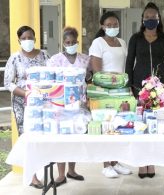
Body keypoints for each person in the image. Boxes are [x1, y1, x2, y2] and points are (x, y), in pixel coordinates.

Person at [125, 2, 164, 179]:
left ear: (158, 19)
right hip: (140, 88)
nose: (150, 20)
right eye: (147, 17)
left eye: (153, 17)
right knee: (141, 125)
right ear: (142, 19)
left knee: (155, 125)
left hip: (160, 89)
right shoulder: (135, 39)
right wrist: (129, 85)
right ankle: (141, 162)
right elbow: (129, 63)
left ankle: (151, 162)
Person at [4, 26, 49, 189]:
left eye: (30, 37)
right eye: (23, 38)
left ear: (35, 39)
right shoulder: (14, 58)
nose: (27, 41)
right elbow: (8, 83)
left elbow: (52, 75)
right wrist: (26, 94)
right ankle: (33, 176)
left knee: (43, 135)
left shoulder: (44, 55)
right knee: (27, 137)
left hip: (43, 102)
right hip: (22, 103)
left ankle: (44, 170)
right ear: (19, 41)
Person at [89, 11, 131, 178]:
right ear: (102, 26)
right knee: (106, 125)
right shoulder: (98, 43)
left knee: (119, 125)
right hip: (105, 91)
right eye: (109, 25)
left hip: (121, 90)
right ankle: (106, 164)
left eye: (115, 25)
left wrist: (123, 83)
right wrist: (112, 83)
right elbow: (97, 71)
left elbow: (125, 66)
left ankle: (115, 161)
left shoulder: (122, 42)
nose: (113, 27)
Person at [47, 27, 87, 186]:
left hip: (79, 105)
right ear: (63, 43)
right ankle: (61, 174)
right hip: (60, 106)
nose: (70, 44)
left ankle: (72, 170)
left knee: (75, 138)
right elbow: (50, 82)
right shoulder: (55, 60)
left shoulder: (84, 59)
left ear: (78, 42)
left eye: (73, 42)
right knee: (61, 139)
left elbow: (89, 77)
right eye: (67, 42)